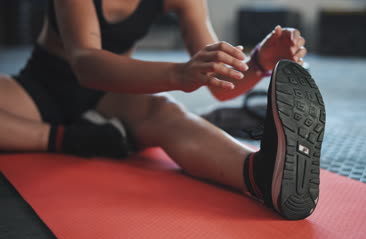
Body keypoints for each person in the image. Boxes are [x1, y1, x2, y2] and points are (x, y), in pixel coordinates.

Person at [0, 0, 325, 220]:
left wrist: (258, 63)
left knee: (167, 113)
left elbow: (219, 87)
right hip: (39, 86)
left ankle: (261, 174)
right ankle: (70, 139)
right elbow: (86, 63)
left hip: (111, 94)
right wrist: (179, 74)